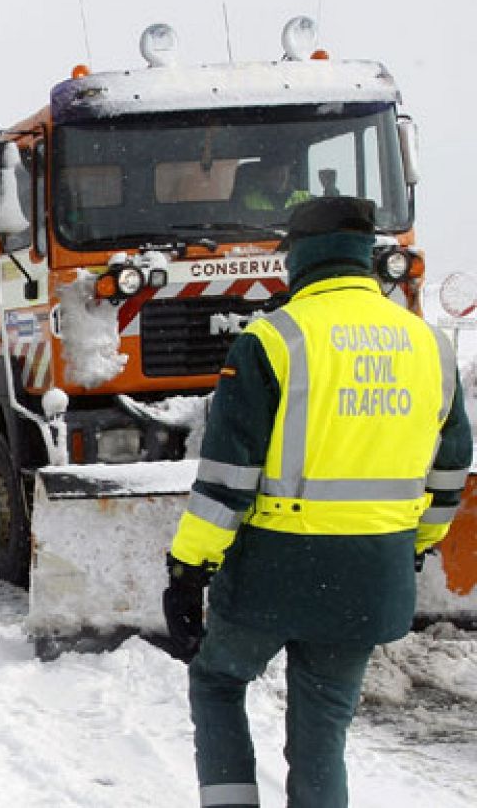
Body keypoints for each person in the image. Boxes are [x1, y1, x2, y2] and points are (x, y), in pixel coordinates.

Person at [163, 196, 471, 807]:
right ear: (367, 255)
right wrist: (418, 545)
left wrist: (187, 567)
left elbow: (228, 476)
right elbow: (451, 469)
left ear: (300, 255)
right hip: (372, 575)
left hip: (274, 571)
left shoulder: (274, 339)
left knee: (220, 681)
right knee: (322, 728)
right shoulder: (430, 345)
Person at [233, 158, 311, 213]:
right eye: (275, 172)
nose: (281, 177)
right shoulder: (248, 202)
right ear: (264, 175)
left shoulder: (307, 199)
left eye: (284, 171)